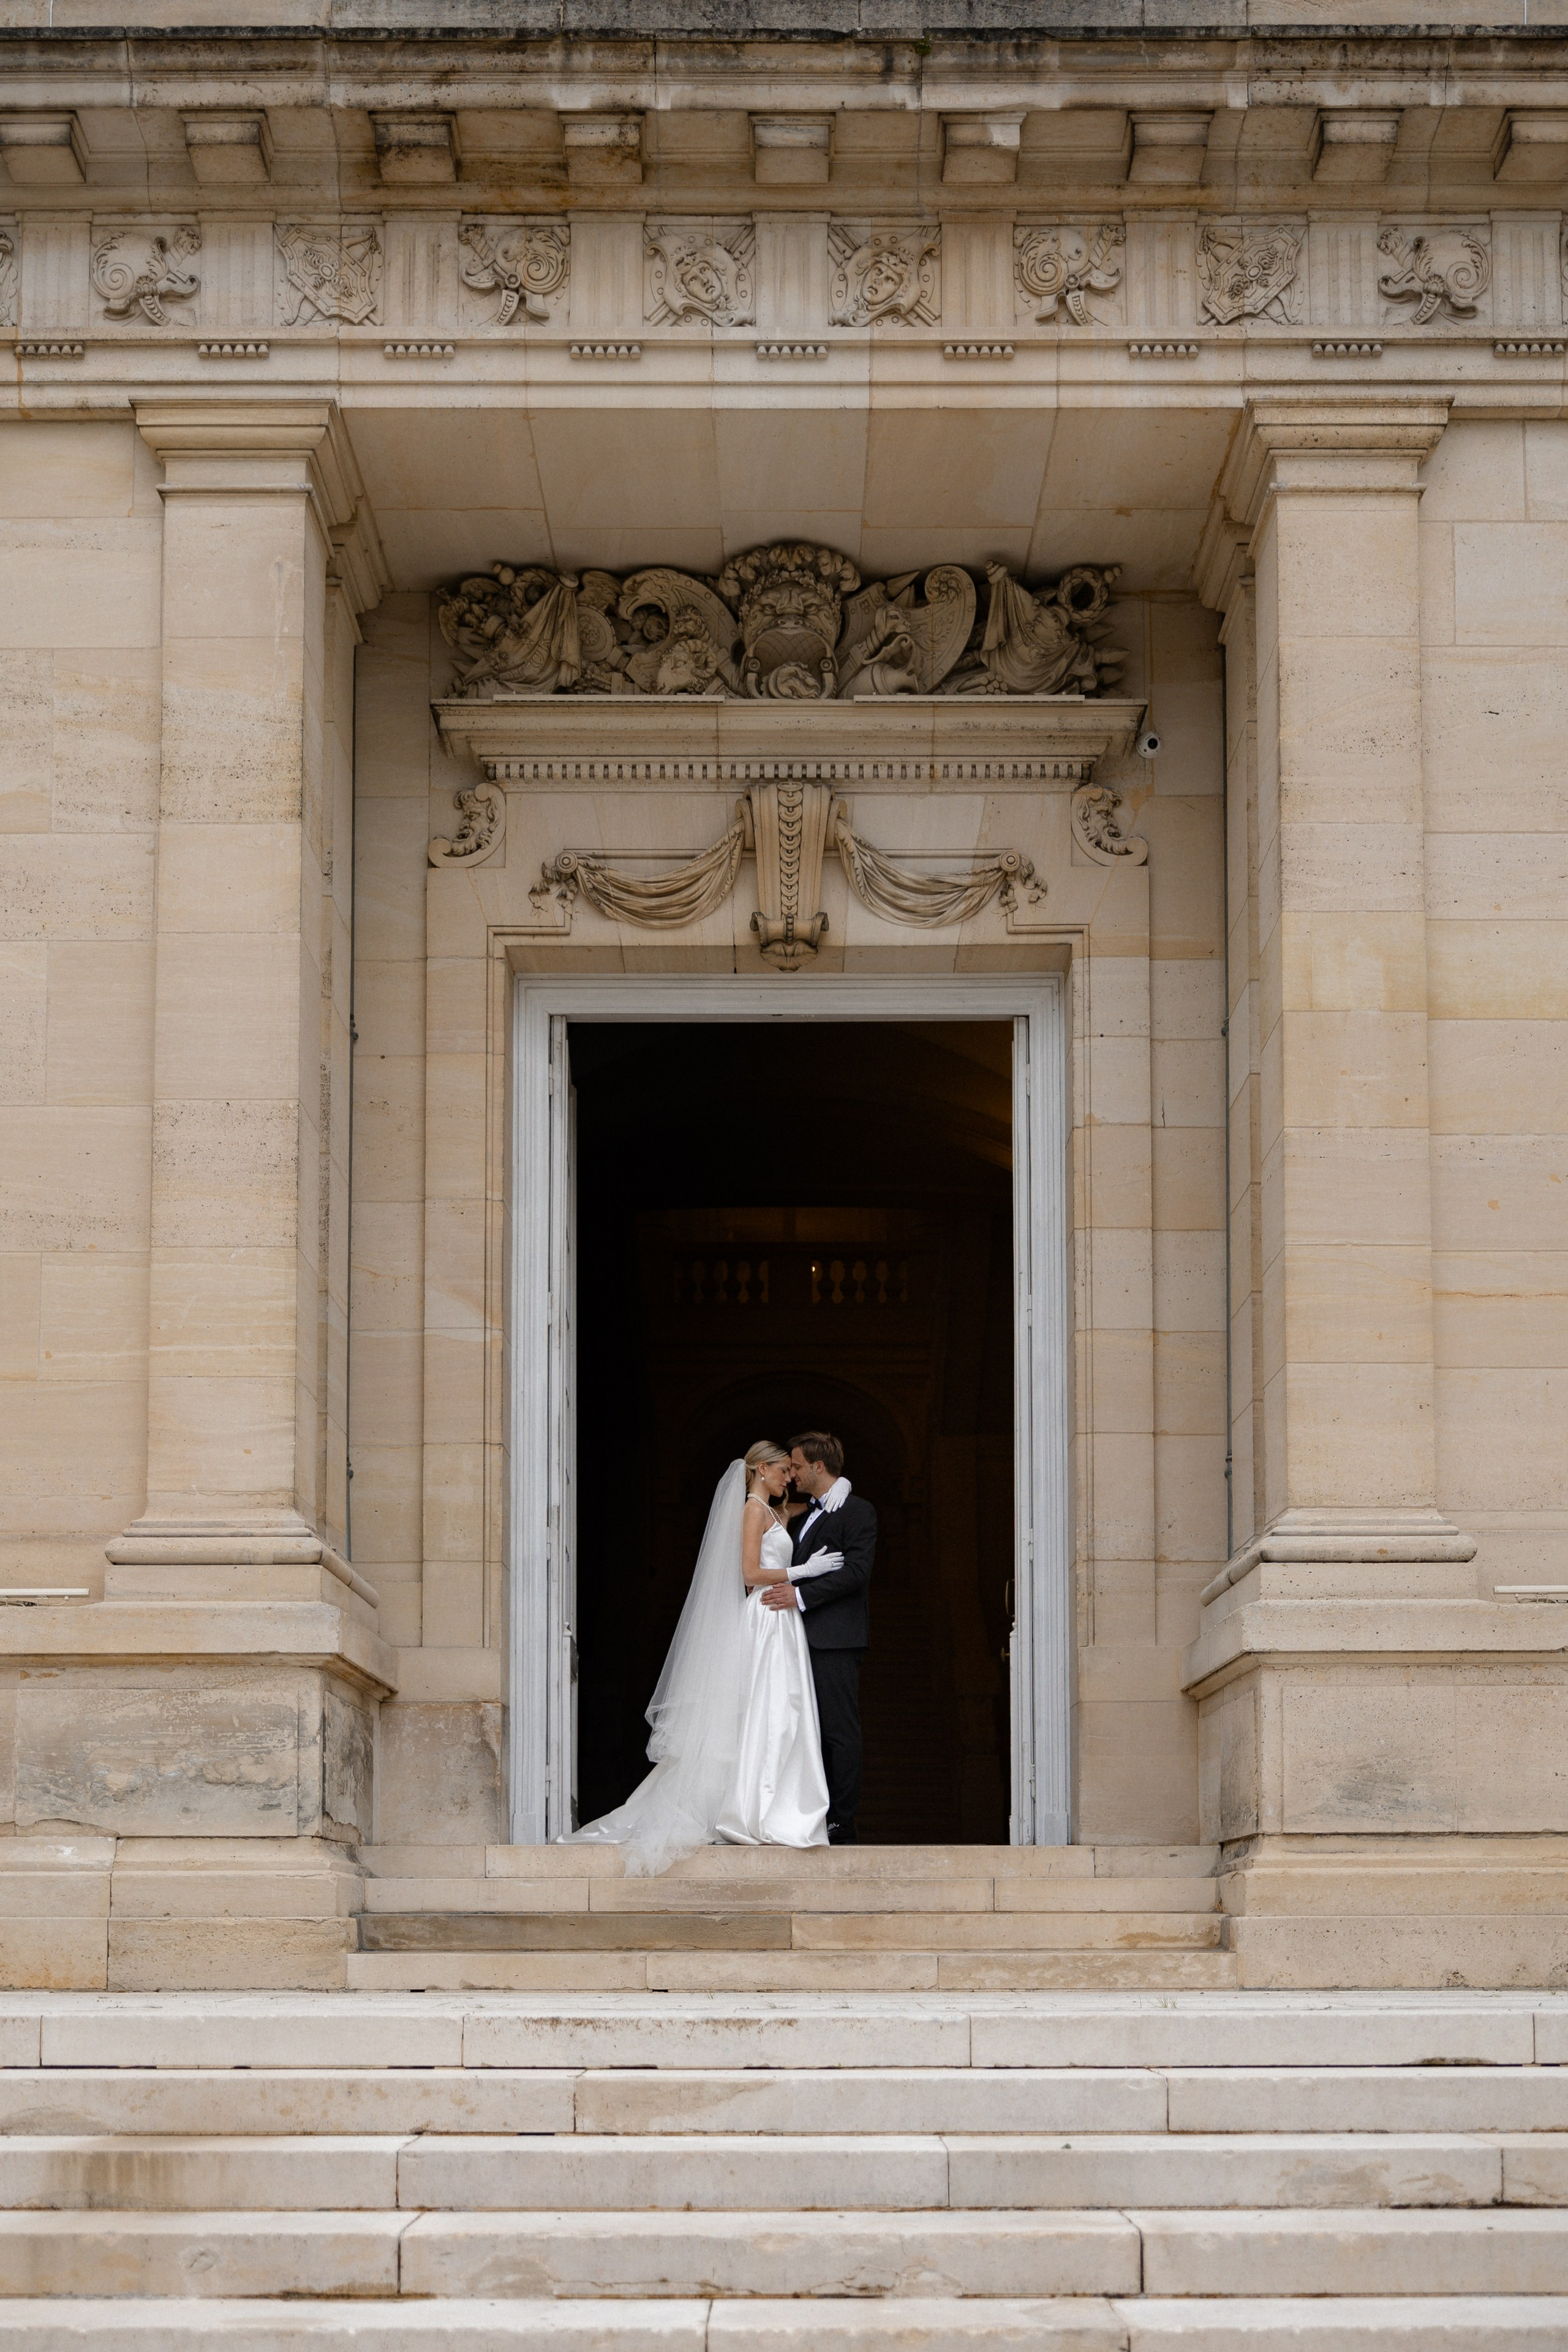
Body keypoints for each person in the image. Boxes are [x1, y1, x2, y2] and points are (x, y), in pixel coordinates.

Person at [566, 1442, 838, 1875]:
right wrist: (800, 1573)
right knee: (761, 1709)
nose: (789, 1477)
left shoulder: (774, 1512)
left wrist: (839, 1487)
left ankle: (771, 1805)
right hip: (765, 1616)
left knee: (780, 1713)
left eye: (792, 1470)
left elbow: (811, 1506)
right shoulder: (752, 1510)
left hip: (781, 1621)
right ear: (761, 1469)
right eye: (784, 1470)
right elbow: (749, 1572)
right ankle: (748, 1807)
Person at [759, 1430, 876, 1845]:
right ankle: (802, 1815)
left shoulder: (857, 1511)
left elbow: (857, 1572)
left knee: (838, 1731)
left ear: (818, 1466)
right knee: (797, 1731)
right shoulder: (806, 1511)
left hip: (835, 1639)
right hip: (792, 1639)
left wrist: (800, 1595)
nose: (790, 1473)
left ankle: (841, 1821)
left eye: (796, 1466)